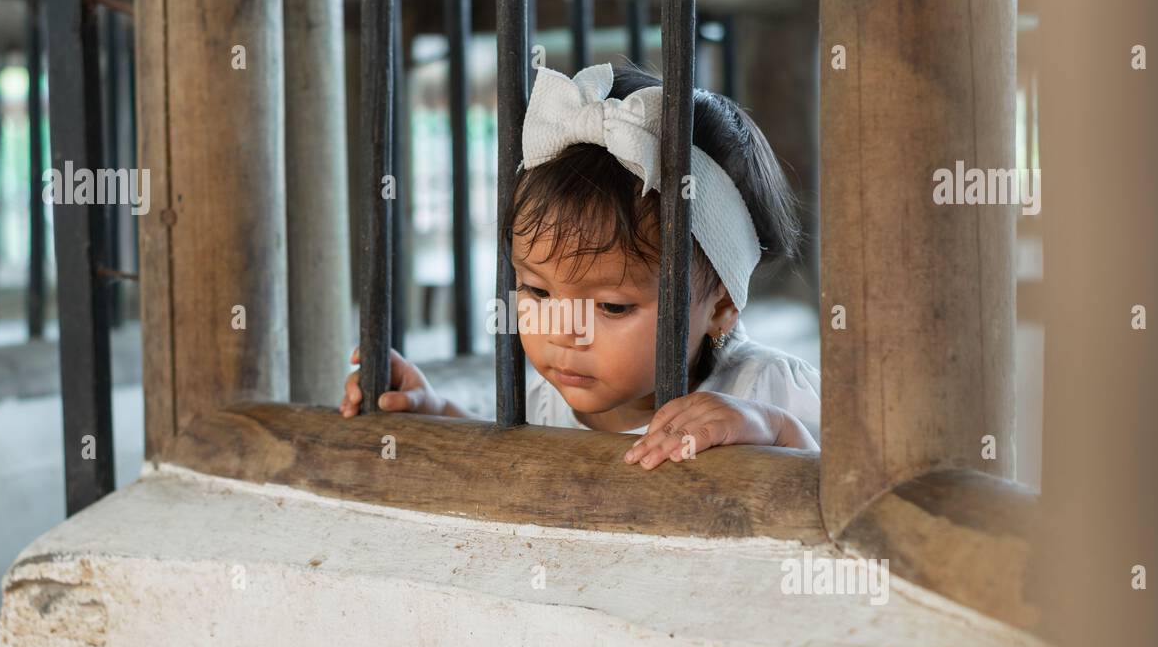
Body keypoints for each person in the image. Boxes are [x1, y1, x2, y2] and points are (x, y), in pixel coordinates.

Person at [341, 61, 820, 469]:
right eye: (537, 292)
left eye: (612, 307)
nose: (563, 330)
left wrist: (776, 433)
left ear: (720, 305)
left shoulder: (766, 390)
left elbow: (850, 505)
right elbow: (511, 465)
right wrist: (433, 414)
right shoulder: (543, 403)